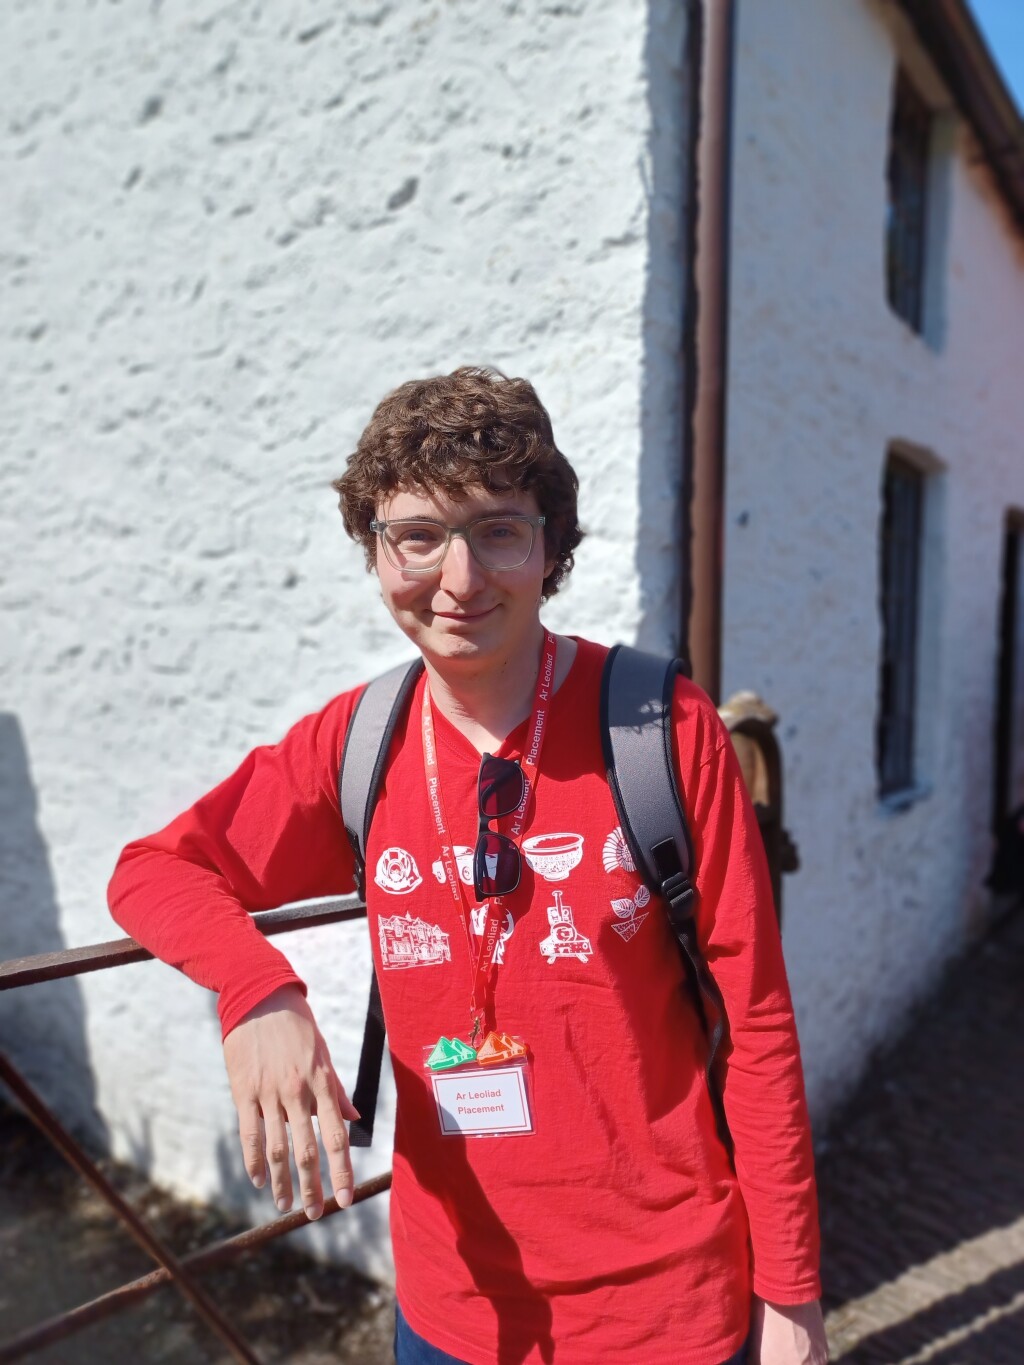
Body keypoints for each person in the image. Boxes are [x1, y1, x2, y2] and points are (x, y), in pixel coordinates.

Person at [109, 366, 828, 1365]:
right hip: (451, 1308)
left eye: (498, 531)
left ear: (549, 550)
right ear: (375, 549)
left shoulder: (660, 732)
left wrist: (790, 1296)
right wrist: (258, 993)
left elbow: (755, 1021)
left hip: (657, 1306)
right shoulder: (358, 741)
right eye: (417, 535)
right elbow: (154, 872)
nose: (458, 580)